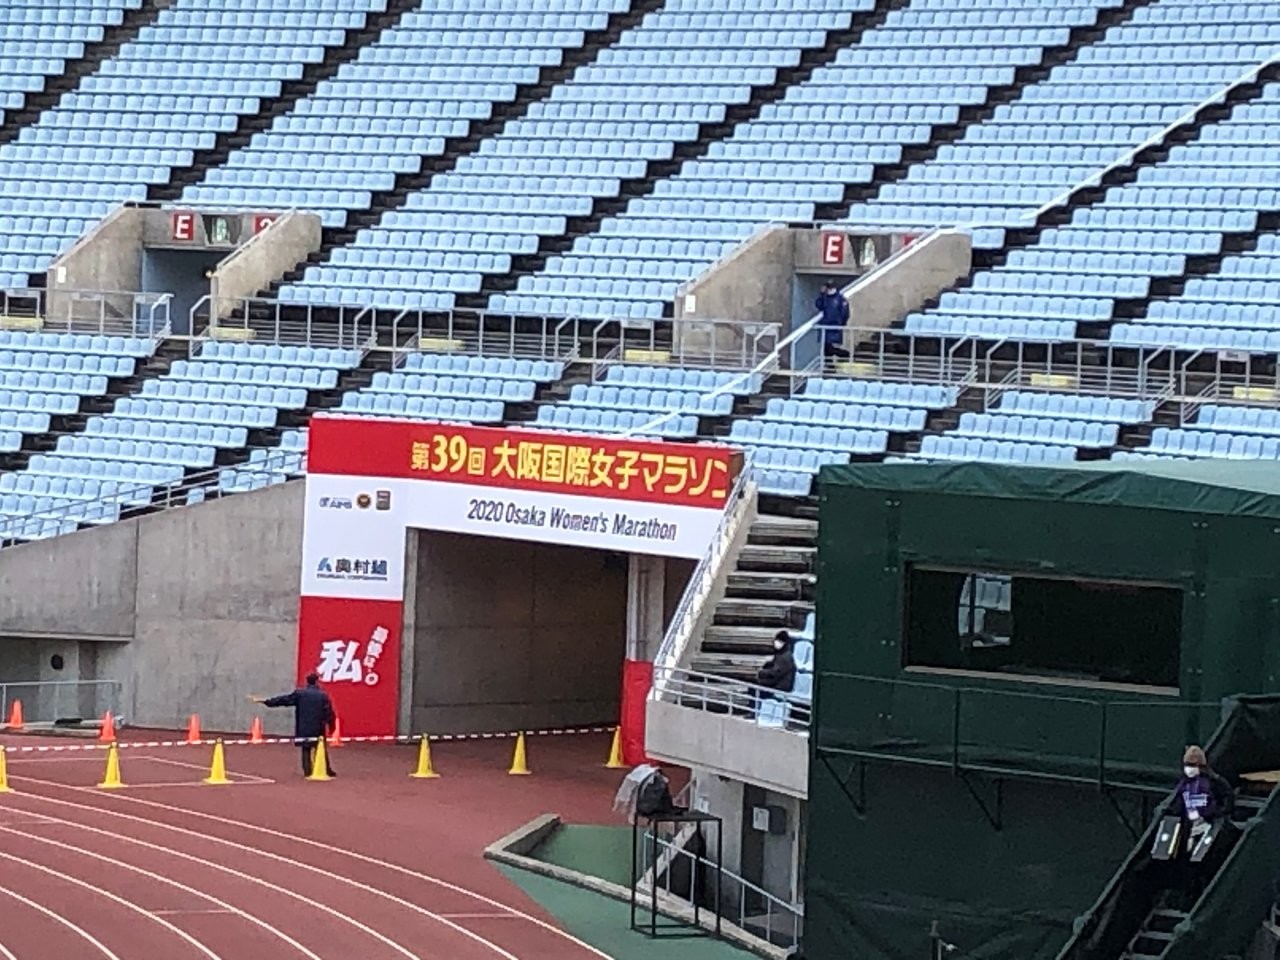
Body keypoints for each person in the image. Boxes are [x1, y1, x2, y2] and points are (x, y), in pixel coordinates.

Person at [1172, 745, 1234, 902]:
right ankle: (1190, 894)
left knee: (1205, 861)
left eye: (1193, 765)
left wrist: (1218, 813)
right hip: (1190, 828)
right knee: (1187, 861)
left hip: (1208, 827)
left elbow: (1227, 797)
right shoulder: (1185, 784)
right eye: (1187, 765)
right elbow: (1179, 803)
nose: (1189, 769)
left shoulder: (1214, 782)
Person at [250, 673, 336, 777]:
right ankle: (326, 769)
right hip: (318, 727)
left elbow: (284, 700)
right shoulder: (323, 695)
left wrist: (268, 702)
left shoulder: (300, 694)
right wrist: (332, 727)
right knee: (320, 748)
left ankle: (307, 771)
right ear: (317, 681)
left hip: (303, 727)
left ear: (307, 682)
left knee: (305, 749)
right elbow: (329, 713)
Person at [814, 281, 850, 361]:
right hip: (826, 327)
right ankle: (830, 365)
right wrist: (821, 294)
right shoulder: (825, 298)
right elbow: (818, 305)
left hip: (834, 327)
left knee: (830, 349)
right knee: (827, 350)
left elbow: (845, 314)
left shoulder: (840, 299)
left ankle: (846, 354)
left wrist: (840, 324)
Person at [757, 630, 797, 694]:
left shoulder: (785, 657)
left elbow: (776, 673)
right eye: (776, 640)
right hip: (777, 683)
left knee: (755, 686)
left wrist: (763, 673)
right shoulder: (780, 653)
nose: (777, 643)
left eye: (780, 642)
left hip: (781, 686)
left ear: (785, 643)